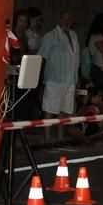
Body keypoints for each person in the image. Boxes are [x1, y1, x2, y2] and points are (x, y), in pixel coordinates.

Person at [38, 10, 80, 147]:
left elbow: (75, 58)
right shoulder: (51, 36)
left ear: (72, 21)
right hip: (55, 79)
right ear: (60, 19)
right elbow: (41, 57)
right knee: (50, 110)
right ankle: (47, 140)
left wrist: (76, 77)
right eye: (64, 18)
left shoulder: (74, 35)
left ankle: (60, 139)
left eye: (69, 19)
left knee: (64, 111)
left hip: (70, 80)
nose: (66, 21)